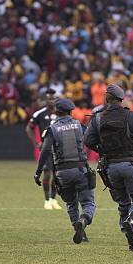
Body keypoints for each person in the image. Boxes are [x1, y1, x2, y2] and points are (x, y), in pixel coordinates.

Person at [84, 84, 133, 252]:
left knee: (123, 204)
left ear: (107, 99)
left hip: (110, 167)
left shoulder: (96, 118)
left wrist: (103, 150)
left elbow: (88, 141)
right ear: (120, 99)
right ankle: (132, 220)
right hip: (129, 165)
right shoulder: (132, 117)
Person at [34, 98, 95, 244]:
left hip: (62, 173)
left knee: (71, 204)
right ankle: (84, 220)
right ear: (71, 111)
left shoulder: (52, 129)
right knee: (88, 203)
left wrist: (38, 171)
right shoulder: (79, 126)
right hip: (80, 170)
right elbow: (91, 141)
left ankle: (78, 229)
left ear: (56, 111)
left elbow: (45, 150)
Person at [26, 89, 62, 210]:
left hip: (58, 148)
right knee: (47, 173)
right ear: (45, 100)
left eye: (53, 98)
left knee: (57, 174)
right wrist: (37, 143)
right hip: (46, 148)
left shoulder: (60, 113)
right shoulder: (39, 113)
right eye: (49, 98)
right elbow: (28, 128)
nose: (51, 100)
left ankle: (53, 199)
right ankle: (46, 200)